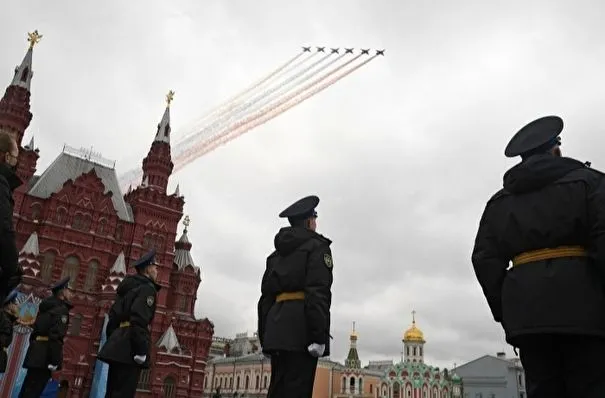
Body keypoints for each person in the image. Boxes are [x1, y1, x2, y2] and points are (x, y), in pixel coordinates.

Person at [472, 115, 605, 397]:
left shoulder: (499, 203)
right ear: (556, 150)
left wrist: (507, 312)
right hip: (587, 313)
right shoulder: (591, 184)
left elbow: (484, 260)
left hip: (528, 320)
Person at [257, 195, 334, 398]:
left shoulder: (276, 255)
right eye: (314, 219)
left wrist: (265, 336)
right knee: (298, 391)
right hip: (302, 333)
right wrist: (318, 336)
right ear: (309, 222)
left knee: (277, 390)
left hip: (276, 333)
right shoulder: (318, 247)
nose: (315, 224)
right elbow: (318, 292)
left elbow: (265, 298)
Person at [98, 249, 161, 397]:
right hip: (131, 349)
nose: (157, 271)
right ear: (148, 269)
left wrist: (114, 340)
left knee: (112, 392)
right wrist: (140, 349)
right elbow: (139, 320)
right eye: (156, 267)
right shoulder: (147, 289)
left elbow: (112, 320)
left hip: (117, 346)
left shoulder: (126, 289)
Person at [18, 277, 73, 398]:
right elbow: (56, 337)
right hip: (45, 358)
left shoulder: (44, 308)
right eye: (69, 290)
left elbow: (34, 334)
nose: (71, 293)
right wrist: (54, 361)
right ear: (63, 292)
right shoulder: (61, 310)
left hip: (34, 355)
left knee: (27, 391)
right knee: (34, 391)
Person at [0, 132, 23, 303]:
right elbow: (4, 229)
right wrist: (12, 268)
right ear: (7, 157)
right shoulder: (2, 183)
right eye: (15, 157)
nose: (16, 162)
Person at [0, 288, 19, 373]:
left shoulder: (6, 318)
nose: (17, 306)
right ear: (10, 305)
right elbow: (2, 341)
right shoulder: (6, 320)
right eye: (15, 303)